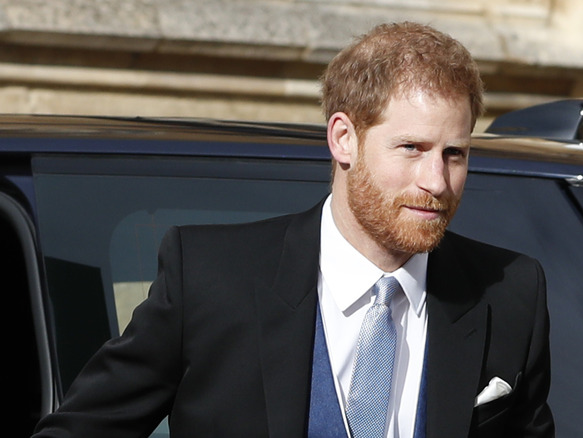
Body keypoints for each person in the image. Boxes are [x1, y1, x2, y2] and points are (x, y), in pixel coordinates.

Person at [32, 21, 554, 438]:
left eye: (454, 154)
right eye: (412, 148)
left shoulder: (509, 293)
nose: (436, 181)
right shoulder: (212, 279)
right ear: (343, 139)